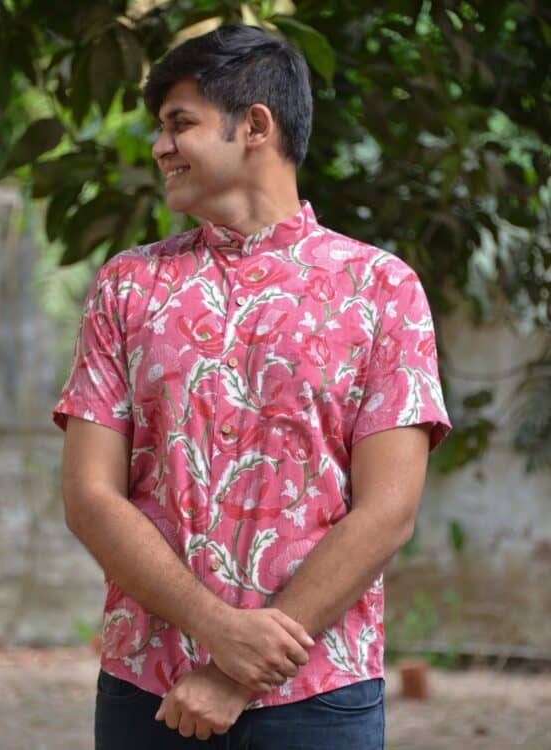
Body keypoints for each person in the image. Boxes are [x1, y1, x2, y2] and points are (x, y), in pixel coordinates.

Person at [53, 23, 451, 750]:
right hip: (149, 686)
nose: (160, 146)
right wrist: (217, 630)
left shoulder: (381, 289)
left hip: (320, 693)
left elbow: (388, 510)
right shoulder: (127, 287)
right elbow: (89, 496)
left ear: (256, 126)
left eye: (180, 123)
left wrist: (237, 675)